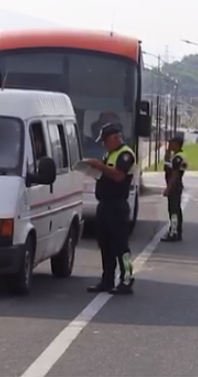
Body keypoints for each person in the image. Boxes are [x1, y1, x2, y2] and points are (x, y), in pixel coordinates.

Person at [82, 123, 137, 295]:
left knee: (120, 246)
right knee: (105, 244)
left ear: (115, 138)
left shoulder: (126, 154)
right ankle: (107, 279)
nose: (103, 145)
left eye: (105, 141)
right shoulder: (110, 154)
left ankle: (126, 279)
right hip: (104, 204)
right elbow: (105, 174)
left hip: (117, 205)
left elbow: (119, 176)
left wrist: (100, 166)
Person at [162, 136, 187, 242]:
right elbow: (166, 161)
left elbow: (175, 175)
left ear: (177, 144)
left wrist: (169, 188)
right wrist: (168, 149)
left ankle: (174, 232)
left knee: (174, 210)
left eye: (172, 143)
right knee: (173, 209)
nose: (170, 145)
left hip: (175, 186)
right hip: (174, 186)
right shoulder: (175, 156)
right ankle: (175, 231)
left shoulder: (178, 158)